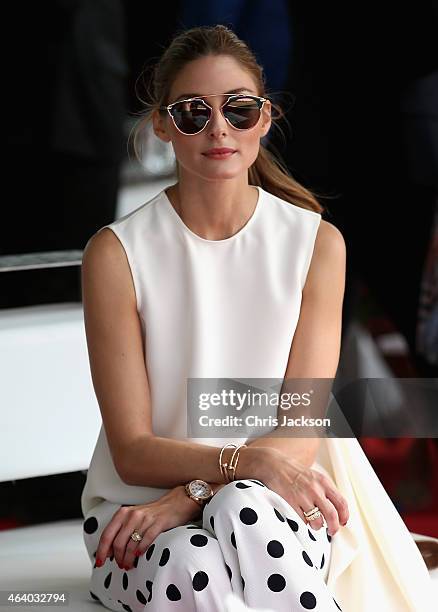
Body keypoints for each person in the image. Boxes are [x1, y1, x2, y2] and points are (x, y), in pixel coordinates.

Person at [79, 25, 433, 612]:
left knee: (241, 504)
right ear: (163, 125)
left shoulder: (316, 243)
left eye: (239, 109)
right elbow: (132, 450)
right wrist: (231, 474)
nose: (219, 128)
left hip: (273, 507)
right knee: (192, 561)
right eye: (193, 113)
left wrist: (197, 491)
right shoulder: (116, 253)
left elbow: (295, 434)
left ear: (265, 118)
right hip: (137, 518)